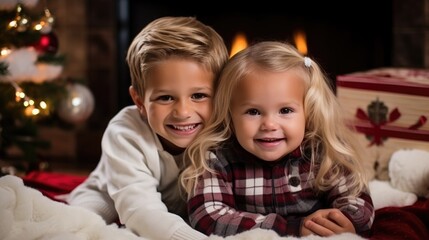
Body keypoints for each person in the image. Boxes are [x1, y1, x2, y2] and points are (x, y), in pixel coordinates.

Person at [181, 41, 375, 238]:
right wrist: (290, 228)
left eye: (285, 110)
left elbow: (356, 199)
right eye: (253, 111)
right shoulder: (218, 157)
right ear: (230, 115)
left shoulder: (321, 151)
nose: (269, 125)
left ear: (308, 112)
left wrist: (344, 222)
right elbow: (207, 216)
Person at [67, 16, 229, 240]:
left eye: (199, 95)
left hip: (183, 206)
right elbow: (141, 211)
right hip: (113, 191)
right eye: (165, 97)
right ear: (140, 101)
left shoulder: (223, 128)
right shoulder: (125, 132)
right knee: (81, 223)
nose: (183, 112)